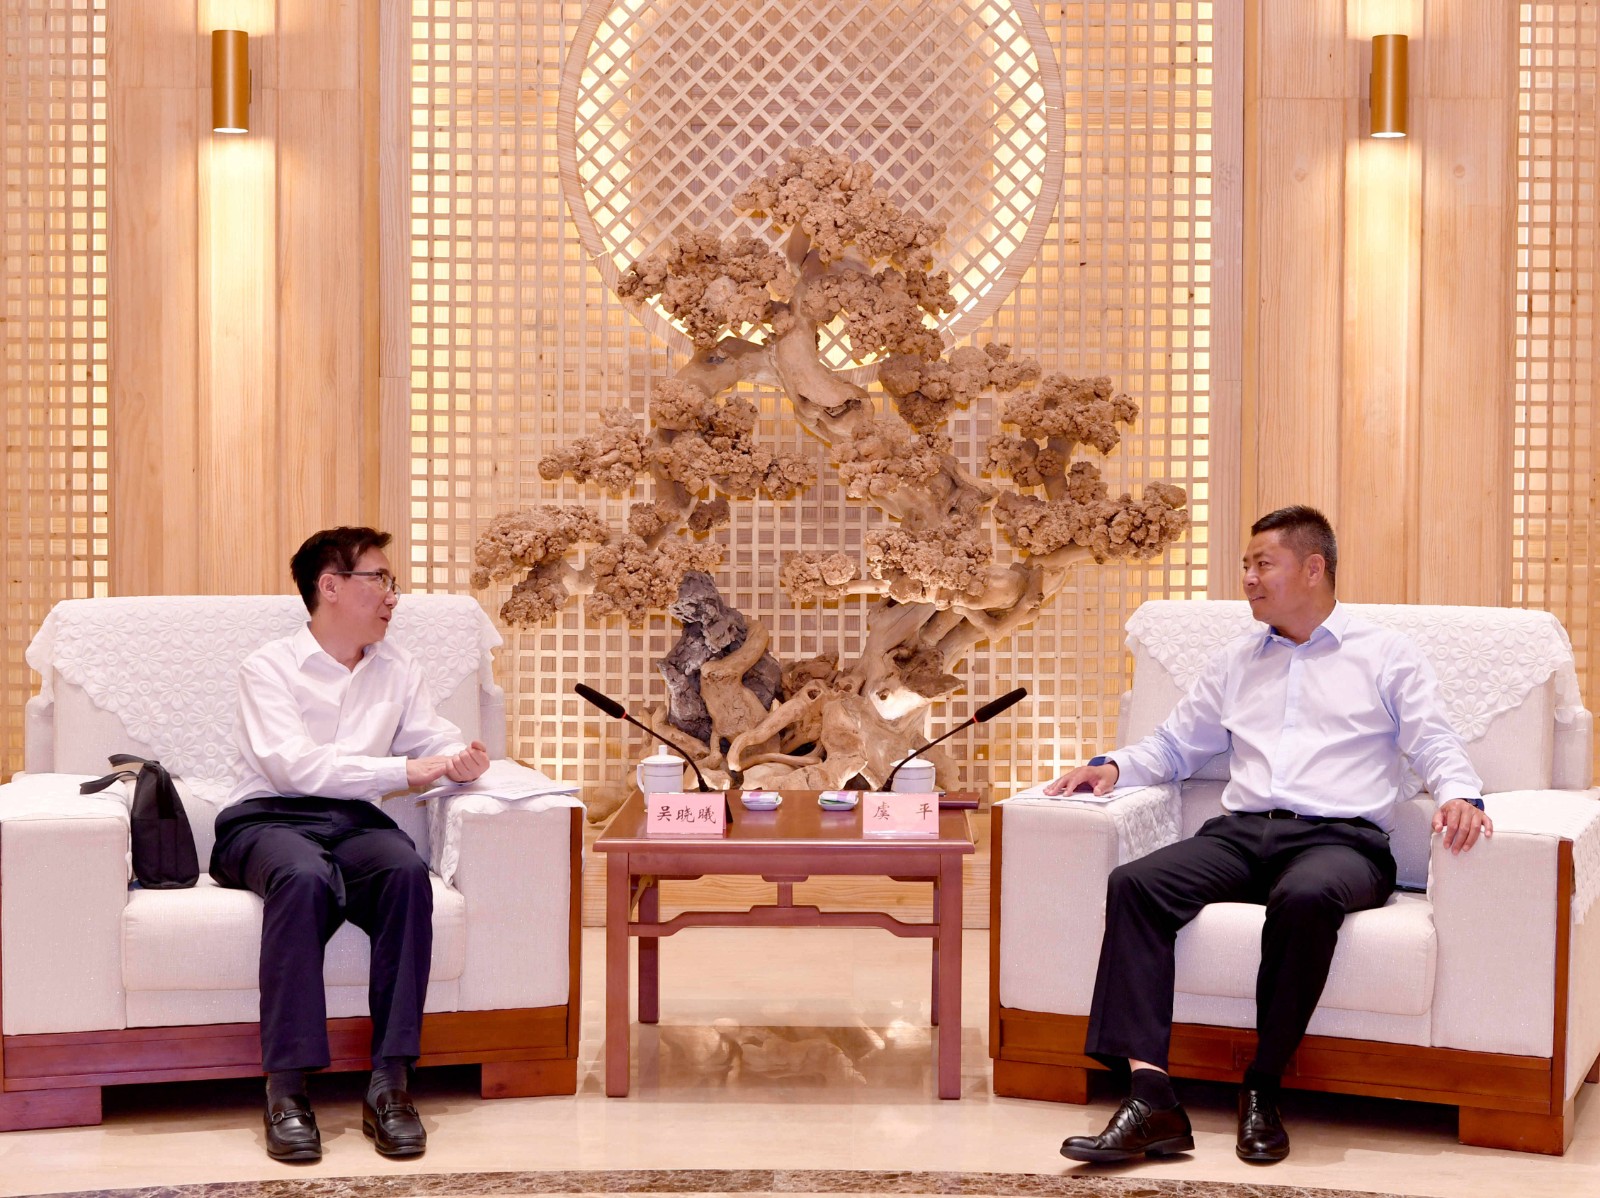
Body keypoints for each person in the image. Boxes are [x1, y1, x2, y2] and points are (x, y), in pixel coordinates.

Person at [1045, 505, 1492, 1166]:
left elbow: (1433, 740)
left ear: (1313, 568)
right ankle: (1152, 1099)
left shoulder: (1385, 655)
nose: (1248, 579)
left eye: (1263, 564)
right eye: (1246, 566)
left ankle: (1261, 1086)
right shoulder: (1236, 660)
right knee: (1136, 884)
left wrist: (1459, 793)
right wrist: (1112, 767)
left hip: (1342, 843)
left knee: (1306, 896)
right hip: (1242, 833)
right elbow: (1176, 745)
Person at [211, 527, 489, 1163]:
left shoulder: (399, 667)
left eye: (393, 582)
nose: (393, 595)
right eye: (380, 579)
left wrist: (459, 759)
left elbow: (429, 739)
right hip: (267, 818)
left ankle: (391, 1084)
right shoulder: (268, 668)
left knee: (404, 872)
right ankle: (286, 1090)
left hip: (355, 822)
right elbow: (292, 767)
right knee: (302, 876)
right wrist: (404, 771)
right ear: (330, 586)